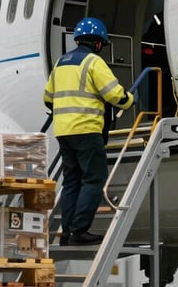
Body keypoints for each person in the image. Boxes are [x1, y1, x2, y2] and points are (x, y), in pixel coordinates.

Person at [43, 17, 134, 245]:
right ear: (98, 43)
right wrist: (130, 99)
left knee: (72, 181)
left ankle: (66, 232)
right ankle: (80, 230)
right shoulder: (93, 62)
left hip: (63, 132)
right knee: (94, 178)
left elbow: (47, 99)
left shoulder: (61, 63)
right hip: (86, 130)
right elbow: (114, 94)